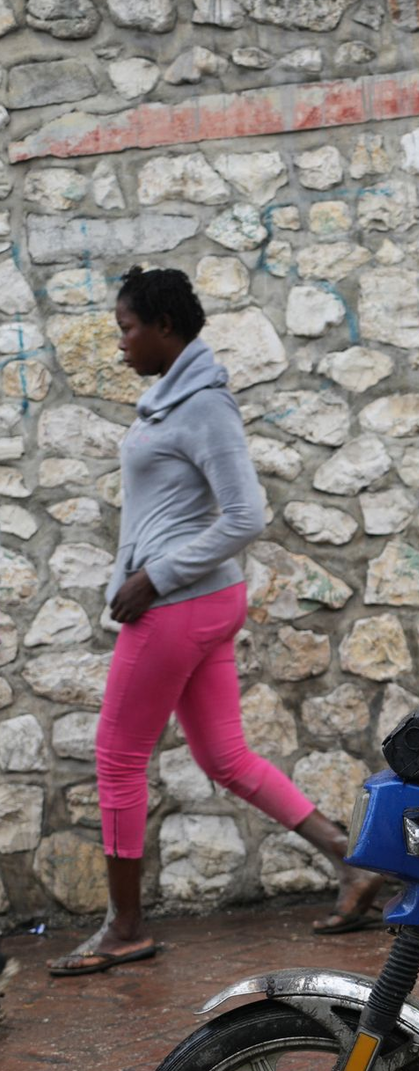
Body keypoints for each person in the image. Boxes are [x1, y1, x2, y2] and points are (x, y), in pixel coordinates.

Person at [49, 267, 382, 976]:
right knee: (225, 757)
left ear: (164, 326)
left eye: (127, 328)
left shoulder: (204, 406)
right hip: (195, 603)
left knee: (117, 758)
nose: (120, 344)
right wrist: (137, 575)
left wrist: (154, 577)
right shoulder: (168, 401)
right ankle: (351, 862)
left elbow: (246, 515)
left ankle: (124, 927)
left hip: (179, 605)